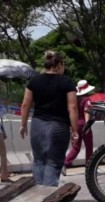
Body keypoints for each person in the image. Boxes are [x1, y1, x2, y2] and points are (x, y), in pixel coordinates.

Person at [19, 51, 78, 187]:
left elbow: (25, 105)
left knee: (39, 160)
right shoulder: (67, 82)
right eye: (63, 65)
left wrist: (23, 125)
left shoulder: (34, 81)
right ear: (58, 65)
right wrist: (75, 130)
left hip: (37, 125)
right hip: (58, 127)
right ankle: (48, 198)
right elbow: (73, 108)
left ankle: (39, 193)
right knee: (53, 161)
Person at [62, 79, 95, 176]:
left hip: (75, 125)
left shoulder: (75, 99)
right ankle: (89, 168)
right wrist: (88, 125)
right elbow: (86, 112)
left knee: (75, 148)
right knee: (89, 147)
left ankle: (65, 163)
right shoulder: (87, 100)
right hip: (84, 125)